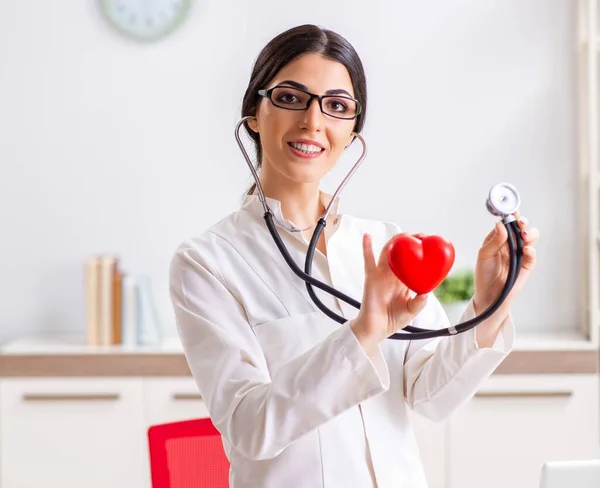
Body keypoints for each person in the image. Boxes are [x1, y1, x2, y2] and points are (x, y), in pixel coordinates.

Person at [169, 24, 540, 488]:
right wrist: (364, 332)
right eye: (290, 98)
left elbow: (431, 398)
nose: (313, 122)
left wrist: (490, 305)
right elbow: (250, 428)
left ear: (351, 133)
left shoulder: (387, 245)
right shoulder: (207, 262)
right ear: (254, 115)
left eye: (337, 106)